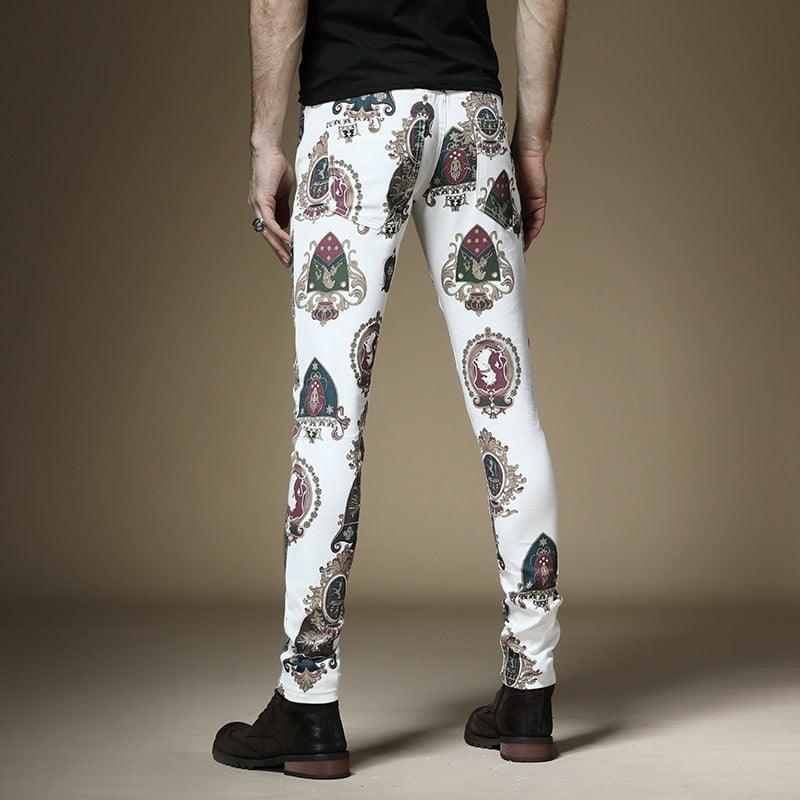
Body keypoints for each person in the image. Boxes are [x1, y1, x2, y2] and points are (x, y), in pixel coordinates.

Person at [212, 0, 567, 780]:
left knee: (329, 417)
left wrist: (265, 140)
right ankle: (530, 691)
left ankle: (308, 705)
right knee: (508, 409)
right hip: (470, 117)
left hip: (354, 118)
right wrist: (532, 140)